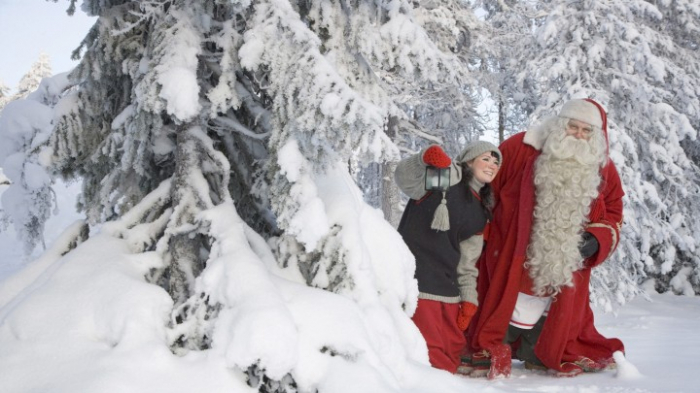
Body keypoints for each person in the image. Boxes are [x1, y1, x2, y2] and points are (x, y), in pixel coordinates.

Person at [465, 98, 625, 379]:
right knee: (498, 308)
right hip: (511, 254)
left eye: (586, 131)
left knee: (555, 317)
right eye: (572, 126)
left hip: (563, 264)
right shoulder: (519, 148)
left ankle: (538, 352)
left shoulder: (603, 169)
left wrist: (597, 238)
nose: (577, 134)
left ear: (596, 136)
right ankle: (494, 348)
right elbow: (483, 185)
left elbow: (614, 213)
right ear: (559, 125)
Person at [394, 140, 502, 373]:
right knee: (430, 355)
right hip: (416, 281)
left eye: (496, 162)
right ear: (468, 161)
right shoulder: (444, 180)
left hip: (447, 288)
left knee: (453, 349)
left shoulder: (480, 211)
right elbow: (404, 178)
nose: (492, 165)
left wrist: (468, 299)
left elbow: (467, 262)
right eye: (485, 158)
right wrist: (423, 158)